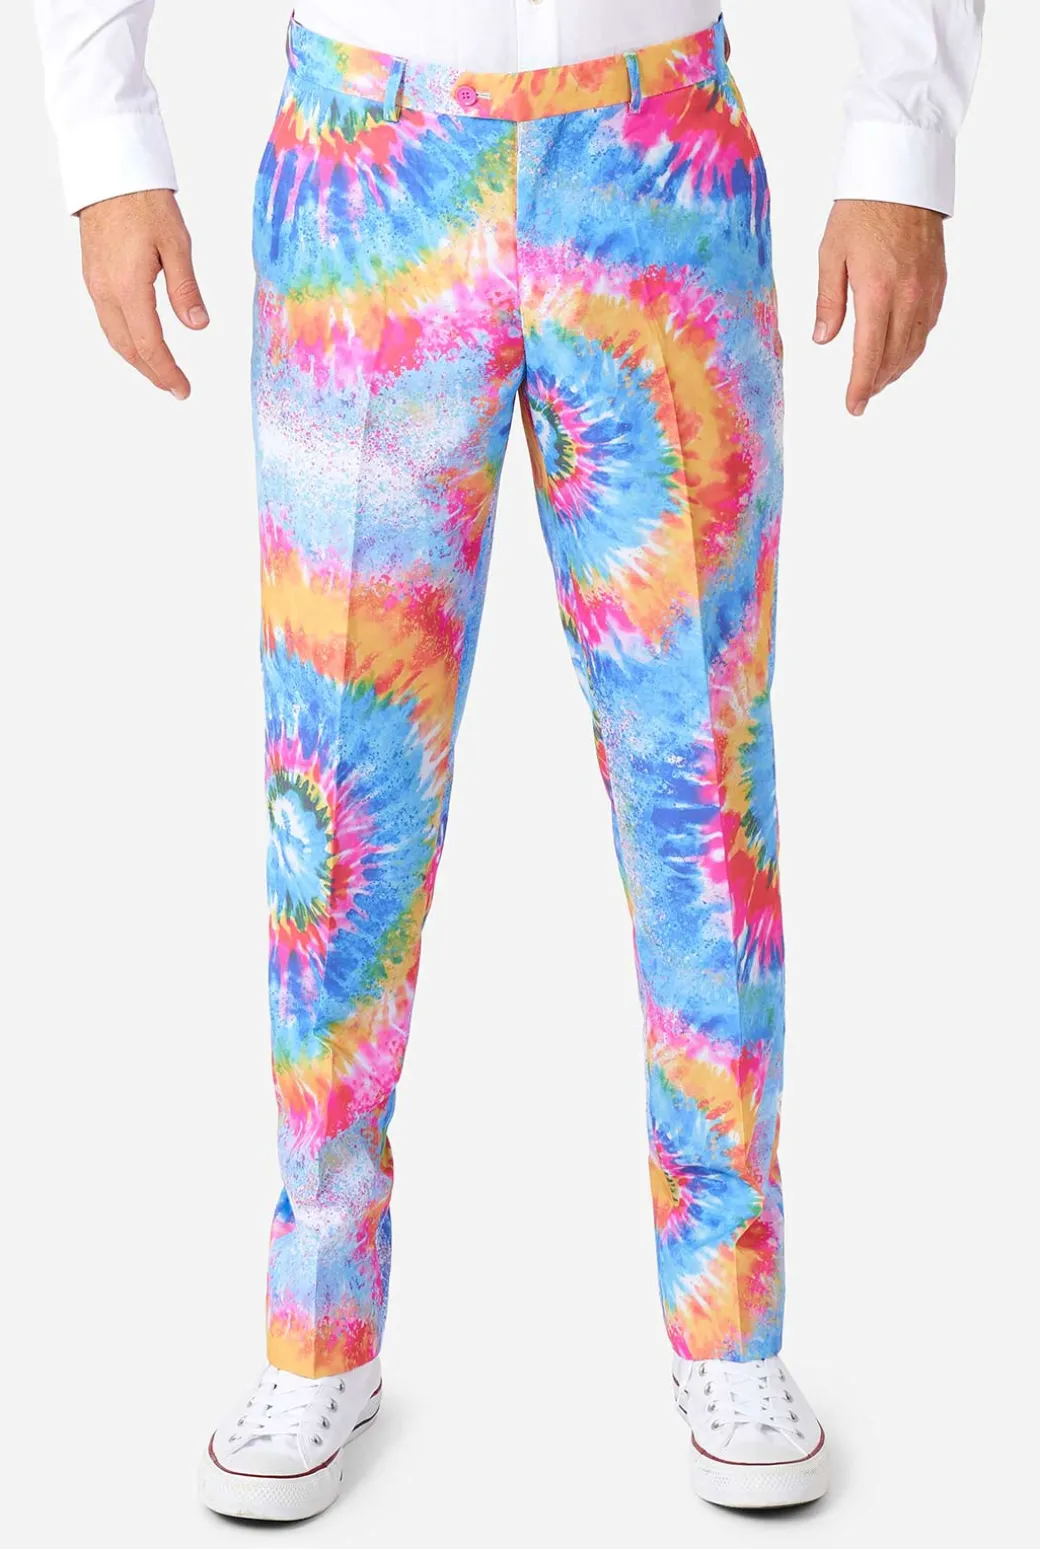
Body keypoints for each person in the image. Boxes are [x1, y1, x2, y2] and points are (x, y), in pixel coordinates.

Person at [34, 0, 984, 1522]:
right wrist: (107, 141)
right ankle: (318, 1331)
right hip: (369, 162)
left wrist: (902, 141)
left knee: (701, 787)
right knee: (335, 790)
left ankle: (733, 1331)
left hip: (657, 159)